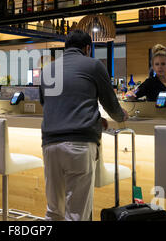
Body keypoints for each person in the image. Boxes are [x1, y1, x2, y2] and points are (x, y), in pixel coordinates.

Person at [39, 30, 129, 221]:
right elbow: (111, 105)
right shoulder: (94, 65)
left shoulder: (48, 69)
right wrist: (122, 116)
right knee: (76, 214)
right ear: (88, 48)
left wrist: (94, 117)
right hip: (79, 144)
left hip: (50, 145)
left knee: (54, 211)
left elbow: (46, 103)